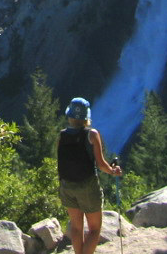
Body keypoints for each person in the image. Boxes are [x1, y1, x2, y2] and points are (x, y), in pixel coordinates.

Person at [56, 97, 122, 254]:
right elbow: (101, 164)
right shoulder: (91, 134)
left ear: (70, 115)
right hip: (87, 186)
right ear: (86, 117)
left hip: (67, 186)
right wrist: (113, 171)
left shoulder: (61, 135)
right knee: (94, 229)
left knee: (76, 228)